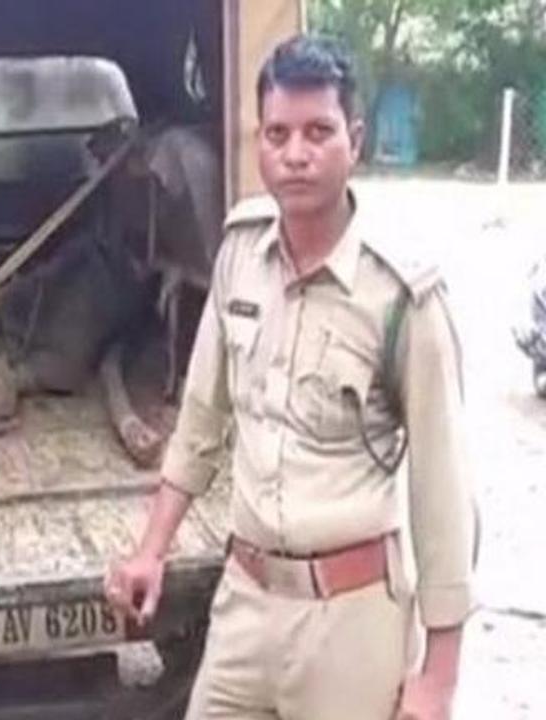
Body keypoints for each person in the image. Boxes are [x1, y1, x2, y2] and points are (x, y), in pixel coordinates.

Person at [105, 36, 476, 720]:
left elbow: (444, 499)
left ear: (354, 140)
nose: (296, 153)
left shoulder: (402, 298)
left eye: (318, 132)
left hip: (351, 620)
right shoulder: (240, 253)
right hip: (245, 604)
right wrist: (149, 552)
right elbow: (200, 422)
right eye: (277, 134)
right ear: (259, 143)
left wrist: (437, 680)